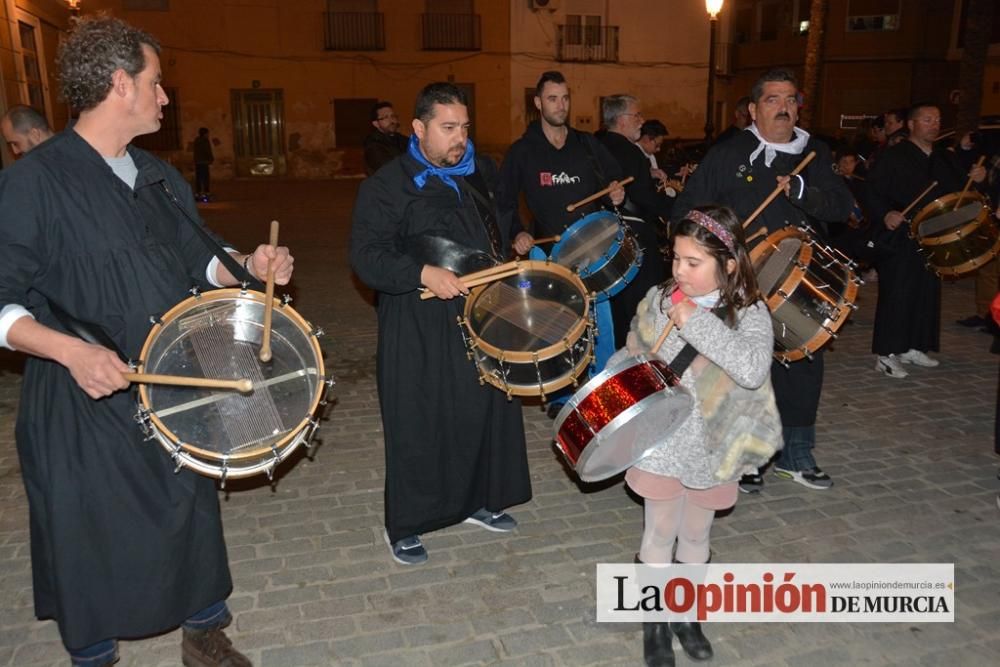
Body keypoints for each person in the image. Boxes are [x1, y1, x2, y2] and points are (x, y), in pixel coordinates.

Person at [0, 15, 294, 667]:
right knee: (90, 532)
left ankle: (203, 632)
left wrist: (252, 263)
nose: (166, 97)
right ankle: (94, 654)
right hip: (82, 395)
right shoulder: (34, 183)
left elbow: (204, 260)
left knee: (188, 511)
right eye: (156, 83)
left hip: (175, 379)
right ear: (119, 84)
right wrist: (69, 350)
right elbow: (2, 299)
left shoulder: (159, 178)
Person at [350, 82, 532, 565]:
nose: (460, 138)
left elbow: (502, 216)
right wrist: (420, 273)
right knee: (421, 418)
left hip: (481, 312)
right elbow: (366, 257)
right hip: (418, 317)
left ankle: (476, 501)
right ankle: (409, 523)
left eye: (464, 127)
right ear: (418, 128)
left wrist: (515, 235)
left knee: (479, 407)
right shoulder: (387, 185)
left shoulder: (479, 172)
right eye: (448, 128)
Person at [610, 205, 780, 667]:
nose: (679, 272)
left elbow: (750, 369)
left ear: (727, 265)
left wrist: (695, 321)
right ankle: (655, 623)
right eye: (676, 259)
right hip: (663, 439)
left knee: (696, 532)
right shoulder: (660, 296)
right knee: (660, 529)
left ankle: (685, 614)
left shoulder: (749, 311)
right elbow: (634, 345)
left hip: (713, 445)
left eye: (693, 263)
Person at [674, 68, 854, 492]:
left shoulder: (814, 153)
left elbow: (841, 206)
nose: (784, 108)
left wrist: (803, 193)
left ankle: (797, 454)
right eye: (773, 100)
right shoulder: (728, 154)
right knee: (745, 372)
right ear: (754, 110)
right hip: (743, 283)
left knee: (804, 368)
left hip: (802, 281)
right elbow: (688, 209)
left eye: (791, 99)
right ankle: (747, 458)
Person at [497, 71, 625, 415]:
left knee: (601, 323)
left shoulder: (587, 145)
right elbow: (504, 202)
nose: (561, 105)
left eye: (565, 98)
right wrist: (517, 233)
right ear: (538, 103)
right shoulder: (522, 151)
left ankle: (602, 389)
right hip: (547, 248)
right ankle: (560, 394)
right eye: (552, 98)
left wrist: (616, 192)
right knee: (555, 324)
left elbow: (615, 181)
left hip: (592, 248)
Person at [864, 103, 987, 378]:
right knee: (898, 292)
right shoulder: (894, 155)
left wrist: (976, 179)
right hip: (901, 233)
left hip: (935, 234)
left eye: (938, 120)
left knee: (925, 292)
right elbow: (871, 189)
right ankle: (886, 354)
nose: (934, 124)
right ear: (911, 124)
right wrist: (885, 213)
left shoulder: (944, 157)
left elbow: (961, 190)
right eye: (927, 119)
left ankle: (913, 346)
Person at [599, 94, 672, 349]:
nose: (642, 121)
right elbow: (645, 198)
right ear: (621, 120)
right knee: (640, 312)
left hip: (604, 240)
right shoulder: (631, 152)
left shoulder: (595, 144)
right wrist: (676, 207)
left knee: (614, 314)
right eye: (636, 116)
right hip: (635, 241)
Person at [363, 100, 408, 175]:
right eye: (386, 117)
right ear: (376, 124)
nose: (391, 120)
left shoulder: (403, 139)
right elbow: (389, 169)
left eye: (393, 116)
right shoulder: (373, 145)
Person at [192, 126, 214, 201]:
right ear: (205, 134)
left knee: (199, 177)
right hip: (204, 162)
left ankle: (198, 192)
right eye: (207, 133)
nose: (208, 135)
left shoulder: (196, 140)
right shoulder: (205, 140)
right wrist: (211, 159)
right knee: (205, 177)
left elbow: (195, 151)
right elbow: (207, 150)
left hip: (198, 162)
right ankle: (206, 192)